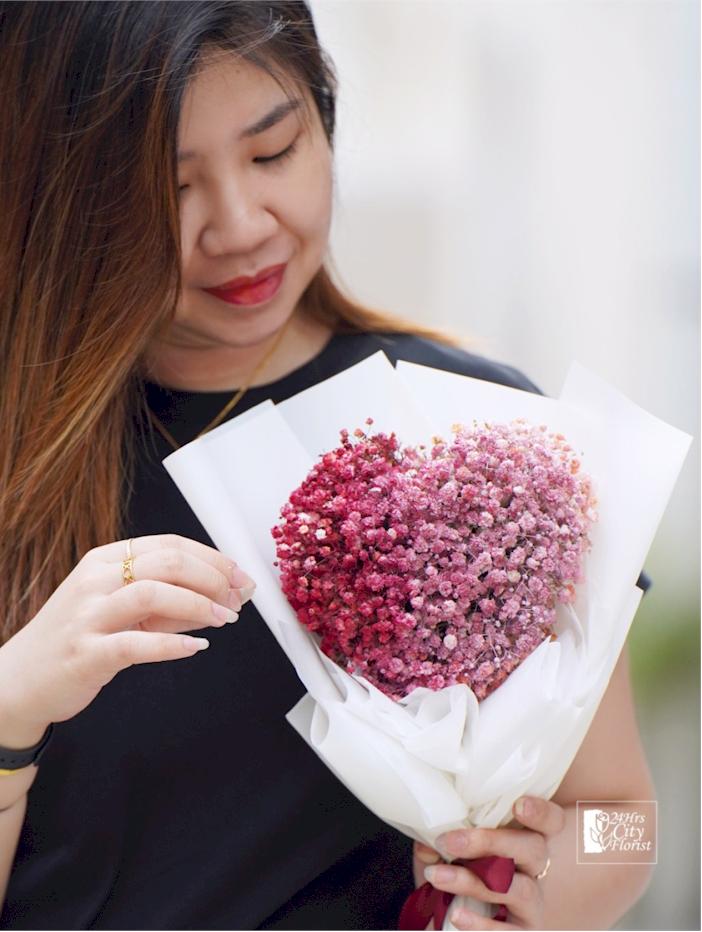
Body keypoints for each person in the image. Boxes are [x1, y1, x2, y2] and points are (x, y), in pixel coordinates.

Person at [0, 2, 655, 929]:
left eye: (273, 153)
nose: (239, 224)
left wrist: (547, 879)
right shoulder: (24, 466)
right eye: (169, 185)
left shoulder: (485, 440)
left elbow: (634, 828)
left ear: (326, 120)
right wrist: (11, 709)